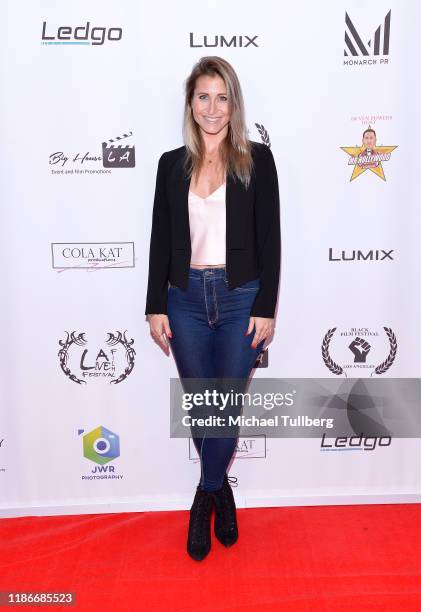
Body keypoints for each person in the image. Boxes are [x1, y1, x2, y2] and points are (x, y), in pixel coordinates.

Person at [145, 56, 281, 561]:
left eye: (222, 97)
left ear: (234, 104)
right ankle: (220, 490)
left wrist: (266, 305)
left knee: (224, 405)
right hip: (182, 298)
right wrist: (154, 303)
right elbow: (160, 239)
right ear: (191, 103)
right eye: (203, 96)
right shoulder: (169, 165)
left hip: (240, 295)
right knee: (203, 406)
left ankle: (203, 497)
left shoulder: (257, 161)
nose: (212, 108)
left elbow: (271, 237)